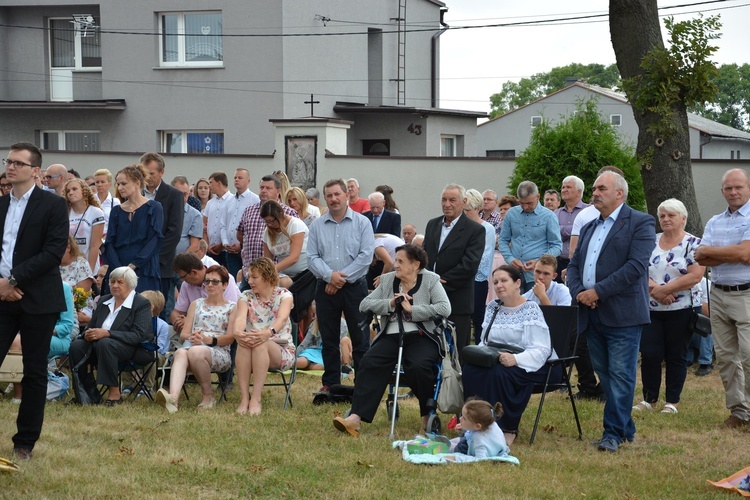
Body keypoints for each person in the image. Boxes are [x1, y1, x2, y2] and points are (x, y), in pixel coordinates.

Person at [566, 171, 655, 452]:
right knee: (604, 372)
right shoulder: (591, 226)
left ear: (619, 193)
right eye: (593, 188)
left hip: (623, 314)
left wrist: (598, 291)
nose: (595, 192)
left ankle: (613, 433)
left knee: (621, 374)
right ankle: (626, 426)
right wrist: (580, 291)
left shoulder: (641, 222)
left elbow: (635, 267)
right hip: (591, 313)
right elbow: (574, 265)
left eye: (601, 188)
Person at [333, 244, 451, 436]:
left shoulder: (430, 280)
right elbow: (365, 304)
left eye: (400, 261)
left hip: (421, 336)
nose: (395, 265)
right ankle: (355, 418)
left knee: (419, 366)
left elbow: (444, 308)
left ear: (415, 264)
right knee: (370, 361)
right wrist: (390, 303)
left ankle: (427, 416)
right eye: (395, 260)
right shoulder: (388, 280)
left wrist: (413, 310)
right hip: (391, 334)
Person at [0, 142, 68, 461]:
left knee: (34, 371)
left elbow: (52, 252)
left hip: (38, 299)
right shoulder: (1, 205)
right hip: (1, 298)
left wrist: (13, 280)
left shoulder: (52, 205)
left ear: (35, 171)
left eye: (17, 163)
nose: (10, 167)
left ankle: (25, 442)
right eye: (8, 161)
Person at [462, 265, 557, 446]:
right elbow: (485, 341)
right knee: (471, 370)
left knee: (497, 374)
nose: (499, 285)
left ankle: (506, 428)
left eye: (504, 280)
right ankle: (474, 422)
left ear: (518, 283)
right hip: (497, 358)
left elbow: (542, 349)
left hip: (532, 362)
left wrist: (516, 359)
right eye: (495, 282)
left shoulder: (530, 309)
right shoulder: (492, 307)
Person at [634, 199, 703, 415]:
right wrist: (657, 291)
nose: (665, 219)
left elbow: (696, 275)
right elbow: (637, 269)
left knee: (676, 355)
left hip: (683, 308)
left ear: (683, 218)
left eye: (671, 215)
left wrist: (665, 289)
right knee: (650, 354)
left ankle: (672, 402)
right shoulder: (649, 241)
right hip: (651, 307)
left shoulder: (694, 243)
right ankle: (649, 400)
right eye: (662, 215)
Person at [695, 168, 750, 429]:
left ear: (747, 187)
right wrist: (734, 252)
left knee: (749, 356)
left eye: (738, 187)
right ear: (722, 192)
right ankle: (739, 413)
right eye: (728, 188)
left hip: (746, 293)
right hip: (718, 293)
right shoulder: (715, 221)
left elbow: (746, 255)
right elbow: (700, 258)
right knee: (726, 358)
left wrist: (715, 253)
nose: (733, 192)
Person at [308, 178, 374, 394]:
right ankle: (331, 384)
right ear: (325, 198)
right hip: (325, 289)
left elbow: (365, 257)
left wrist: (339, 280)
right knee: (329, 339)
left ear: (347, 195)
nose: (334, 199)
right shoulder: (317, 225)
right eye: (329, 195)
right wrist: (330, 277)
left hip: (355, 289)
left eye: (338, 194)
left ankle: (363, 385)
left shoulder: (362, 223)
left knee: (360, 338)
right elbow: (312, 258)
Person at [68, 266, 153, 406]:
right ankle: (85, 394)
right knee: (77, 346)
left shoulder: (141, 304)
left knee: (105, 343)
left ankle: (114, 395)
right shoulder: (104, 301)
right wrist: (87, 335)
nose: (114, 285)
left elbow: (138, 335)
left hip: (133, 348)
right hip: (100, 346)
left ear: (131, 285)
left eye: (120, 282)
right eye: (112, 282)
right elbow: (91, 326)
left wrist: (107, 333)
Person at [155, 266, 236, 413]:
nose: (210, 285)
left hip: (219, 352)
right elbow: (184, 334)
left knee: (195, 352)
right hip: (193, 347)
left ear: (225, 285)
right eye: (207, 281)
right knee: (180, 353)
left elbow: (231, 337)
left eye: (215, 282)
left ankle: (208, 396)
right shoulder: (196, 304)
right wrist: (193, 336)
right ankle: (173, 398)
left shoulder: (232, 307)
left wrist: (208, 339)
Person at [423, 184, 485, 353]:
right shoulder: (432, 224)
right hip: (429, 300)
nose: (447, 204)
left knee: (457, 351)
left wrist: (438, 283)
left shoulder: (475, 230)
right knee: (430, 347)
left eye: (452, 200)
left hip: (457, 300)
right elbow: (424, 256)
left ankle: (460, 381)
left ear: (464, 202)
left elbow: (469, 264)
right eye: (444, 199)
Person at [232, 257, 296, 415]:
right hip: (251, 345)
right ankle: (244, 398)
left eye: (254, 277)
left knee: (260, 342)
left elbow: (281, 319)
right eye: (249, 278)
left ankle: (256, 398)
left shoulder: (284, 295)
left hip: (280, 349)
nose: (250, 281)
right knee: (245, 342)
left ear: (267, 277)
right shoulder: (245, 296)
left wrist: (268, 333)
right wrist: (238, 333)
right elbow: (240, 318)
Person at [103, 165, 164, 293]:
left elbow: (154, 240)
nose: (120, 188)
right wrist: (119, 269)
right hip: (118, 269)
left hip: (144, 268)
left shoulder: (154, 207)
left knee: (143, 307)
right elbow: (109, 243)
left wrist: (134, 265)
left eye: (124, 183)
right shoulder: (116, 211)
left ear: (137, 183)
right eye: (118, 184)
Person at [140, 152, 184, 314]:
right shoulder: (136, 193)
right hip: (137, 263)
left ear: (161, 172)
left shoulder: (174, 195)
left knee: (159, 308)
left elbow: (174, 231)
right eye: (145, 173)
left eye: (151, 173)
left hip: (161, 263)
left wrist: (154, 257)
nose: (148, 177)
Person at [499, 181, 562, 292]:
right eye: (522, 203)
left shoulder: (549, 216)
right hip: (513, 273)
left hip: (536, 276)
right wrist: (510, 258)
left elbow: (557, 246)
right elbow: (503, 240)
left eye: (529, 203)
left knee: (534, 307)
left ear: (538, 197)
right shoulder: (511, 213)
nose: (525, 206)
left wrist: (539, 262)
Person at [237, 175, 298, 279]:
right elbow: (240, 234)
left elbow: (296, 243)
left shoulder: (288, 213)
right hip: (249, 272)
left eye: (268, 188)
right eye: (262, 188)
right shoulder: (249, 210)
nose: (264, 191)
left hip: (276, 273)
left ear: (278, 191)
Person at [169, 252, 241, 334]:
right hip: (195, 332)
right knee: (168, 331)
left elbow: (226, 316)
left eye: (183, 277)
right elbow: (176, 312)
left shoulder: (224, 279)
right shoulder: (186, 285)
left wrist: (190, 322)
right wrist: (179, 321)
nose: (182, 280)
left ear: (194, 272)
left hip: (220, 332)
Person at [464, 189, 497, 345]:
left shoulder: (487, 229)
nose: (465, 213)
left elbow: (484, 258)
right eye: (463, 210)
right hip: (460, 280)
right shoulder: (461, 227)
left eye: (468, 210)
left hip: (477, 280)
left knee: (478, 319)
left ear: (478, 209)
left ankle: (479, 348)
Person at [260, 200, 309, 288]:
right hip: (285, 274)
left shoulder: (295, 225)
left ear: (280, 215)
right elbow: (268, 260)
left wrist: (272, 269)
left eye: (271, 221)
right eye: (267, 222)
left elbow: (294, 257)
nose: (270, 225)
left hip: (305, 274)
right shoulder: (267, 232)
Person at [225, 168, 260, 279]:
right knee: (233, 279)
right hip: (230, 250)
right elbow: (224, 223)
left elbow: (257, 226)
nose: (236, 180)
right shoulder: (230, 200)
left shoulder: (255, 200)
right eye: (235, 177)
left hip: (247, 250)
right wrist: (226, 242)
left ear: (248, 181)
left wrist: (241, 245)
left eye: (240, 178)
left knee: (248, 278)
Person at [65, 178, 105, 273]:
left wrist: (89, 272)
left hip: (88, 263)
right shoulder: (65, 212)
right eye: (68, 191)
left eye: (74, 189)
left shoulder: (95, 212)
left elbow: (94, 246)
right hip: (69, 266)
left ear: (84, 191)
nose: (70, 193)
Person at [296, 304, 352, 371]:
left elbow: (339, 343)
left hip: (331, 352)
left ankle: (309, 366)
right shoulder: (315, 324)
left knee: (320, 366)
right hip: (315, 350)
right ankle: (287, 364)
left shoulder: (342, 323)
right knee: (302, 362)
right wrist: (294, 355)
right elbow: (305, 343)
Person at [555, 176, 589, 280]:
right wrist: (575, 229)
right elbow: (553, 235)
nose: (564, 190)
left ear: (579, 192)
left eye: (568, 187)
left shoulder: (589, 211)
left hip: (581, 263)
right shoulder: (556, 213)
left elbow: (586, 233)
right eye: (563, 187)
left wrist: (561, 229)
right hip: (558, 263)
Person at [686, 276, 714, 376]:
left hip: (701, 328)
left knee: (705, 323)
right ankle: (687, 358)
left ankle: (705, 362)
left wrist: (693, 300)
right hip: (687, 325)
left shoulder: (705, 283)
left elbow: (709, 312)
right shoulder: (675, 282)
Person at [204, 171, 232, 268]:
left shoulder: (232, 201)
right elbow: (204, 224)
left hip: (226, 250)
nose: (209, 186)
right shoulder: (210, 203)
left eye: (211, 183)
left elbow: (233, 226)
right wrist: (206, 245)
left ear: (219, 183)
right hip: (210, 250)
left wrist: (222, 245)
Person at [92, 169, 120, 237]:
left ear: (109, 184)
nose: (99, 185)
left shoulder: (115, 202)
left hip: (108, 237)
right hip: (92, 236)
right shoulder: (91, 200)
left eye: (103, 182)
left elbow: (118, 222)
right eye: (97, 182)